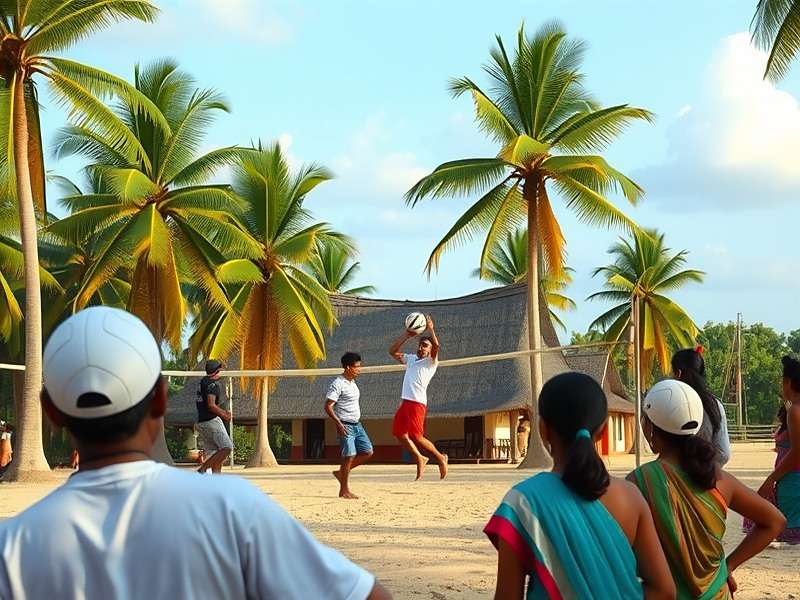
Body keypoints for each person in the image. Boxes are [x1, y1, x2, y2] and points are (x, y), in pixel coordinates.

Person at [0, 306, 391, 600]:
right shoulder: (235, 510)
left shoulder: (11, 546)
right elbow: (368, 596)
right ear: (159, 399)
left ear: (50, 411)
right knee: (224, 446)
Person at [485, 372, 674, 599]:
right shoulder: (631, 497)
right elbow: (664, 591)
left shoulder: (523, 502)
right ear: (603, 430)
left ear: (543, 429)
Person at [630, 378, 785, 598]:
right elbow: (775, 521)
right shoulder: (720, 479)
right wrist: (729, 565)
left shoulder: (639, 481)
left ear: (649, 427)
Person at [389, 314, 448, 480]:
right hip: (405, 402)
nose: (422, 348)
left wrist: (431, 329)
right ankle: (420, 458)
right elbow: (392, 351)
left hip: (417, 403)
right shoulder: (411, 359)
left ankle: (440, 457)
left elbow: (436, 345)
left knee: (417, 436)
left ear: (429, 350)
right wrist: (406, 336)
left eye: (425, 346)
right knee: (399, 433)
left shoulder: (431, 361)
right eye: (421, 345)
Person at [755, 356, 800, 544]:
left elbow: (797, 452)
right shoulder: (793, 409)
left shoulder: (795, 411)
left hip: (792, 480)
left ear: (787, 382)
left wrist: (772, 478)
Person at [325, 351, 374, 499]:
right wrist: (338, 423)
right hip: (346, 425)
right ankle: (344, 490)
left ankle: (341, 473)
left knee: (368, 452)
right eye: (356, 367)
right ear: (347, 367)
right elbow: (328, 406)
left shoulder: (352, 383)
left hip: (357, 425)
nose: (359, 369)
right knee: (349, 456)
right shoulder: (338, 384)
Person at [672, 347, 731, 465]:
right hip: (706, 477)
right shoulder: (714, 405)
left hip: (673, 477)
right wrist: (705, 471)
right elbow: (723, 454)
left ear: (678, 373)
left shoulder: (672, 404)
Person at [196, 359, 234, 474]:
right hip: (211, 421)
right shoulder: (213, 385)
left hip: (201, 422)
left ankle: (216, 483)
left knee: (215, 454)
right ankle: (202, 469)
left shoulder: (203, 381)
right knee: (227, 448)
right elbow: (211, 405)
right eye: (221, 369)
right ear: (217, 371)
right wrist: (225, 414)